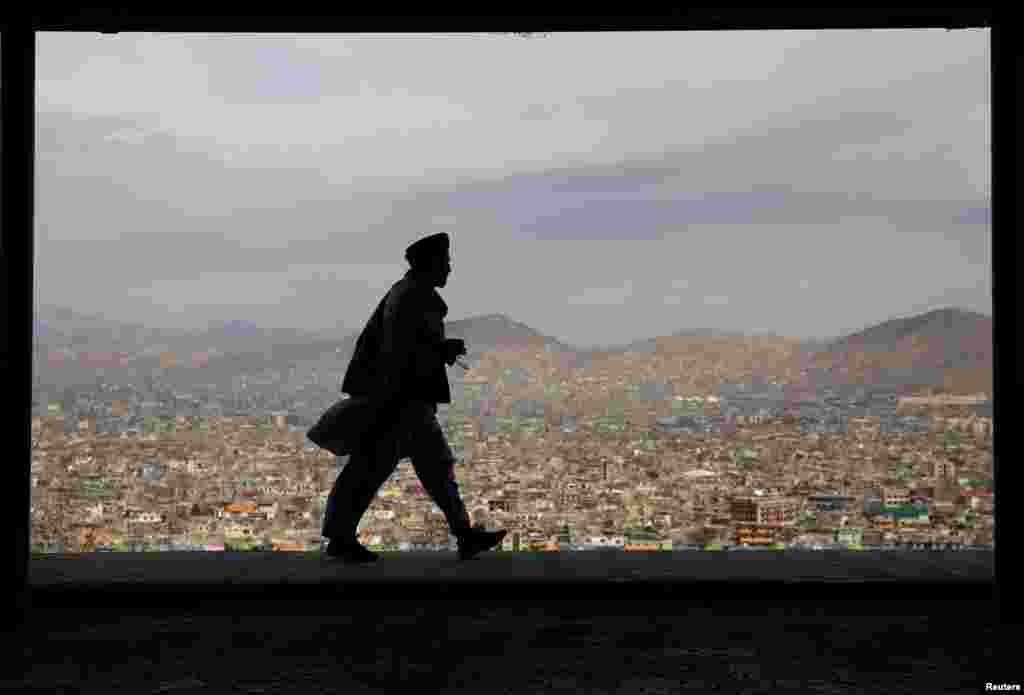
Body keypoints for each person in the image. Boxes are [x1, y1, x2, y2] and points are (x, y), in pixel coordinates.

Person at [322, 232, 506, 563]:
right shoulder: (410, 297)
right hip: (400, 402)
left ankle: (463, 534)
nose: (449, 269)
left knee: (424, 467)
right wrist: (440, 350)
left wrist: (439, 350)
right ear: (430, 264)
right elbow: (401, 351)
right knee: (378, 468)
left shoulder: (410, 295)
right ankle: (339, 537)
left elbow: (407, 346)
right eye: (445, 263)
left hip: (405, 401)